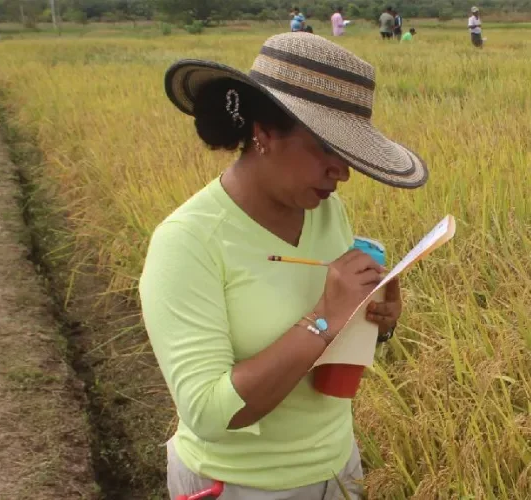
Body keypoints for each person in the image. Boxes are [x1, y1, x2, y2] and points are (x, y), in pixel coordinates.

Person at [145, 32, 428, 500]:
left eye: (349, 154)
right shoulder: (187, 243)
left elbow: (334, 336)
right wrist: (323, 318)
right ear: (264, 133)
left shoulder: (325, 210)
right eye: (328, 150)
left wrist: (374, 321)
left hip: (338, 467)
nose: (343, 172)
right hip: (238, 484)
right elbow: (211, 414)